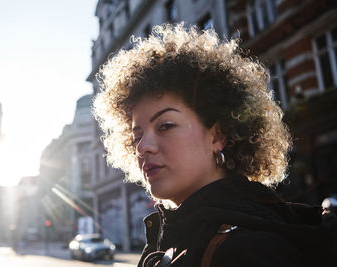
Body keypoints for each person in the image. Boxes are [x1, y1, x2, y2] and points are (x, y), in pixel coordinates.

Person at [92, 23, 337, 267]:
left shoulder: (247, 251)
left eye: (165, 125)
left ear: (219, 135)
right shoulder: (173, 237)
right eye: (137, 136)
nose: (143, 147)